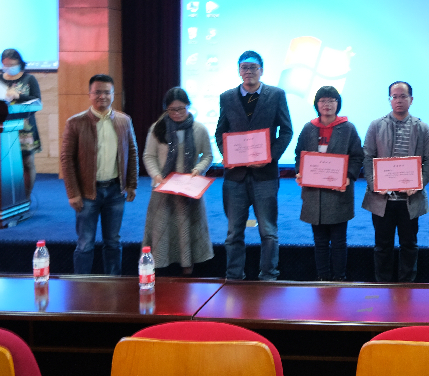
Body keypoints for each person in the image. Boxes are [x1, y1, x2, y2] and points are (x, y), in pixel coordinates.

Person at [214, 50, 293, 281]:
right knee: (233, 232)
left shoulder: (276, 94)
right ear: (239, 71)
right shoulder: (227, 97)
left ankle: (268, 276)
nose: (248, 71)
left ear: (262, 70)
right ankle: (233, 277)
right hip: (235, 176)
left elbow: (286, 131)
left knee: (268, 231)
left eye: (253, 67)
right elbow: (220, 132)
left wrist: (270, 156)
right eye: (244, 67)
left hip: (265, 175)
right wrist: (228, 153)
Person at [60, 74, 138, 275]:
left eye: (106, 92)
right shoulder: (75, 122)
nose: (102, 96)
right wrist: (73, 193)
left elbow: (132, 152)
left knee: (113, 242)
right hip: (87, 193)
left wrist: (132, 183)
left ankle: (113, 284)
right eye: (97, 92)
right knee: (85, 244)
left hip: (115, 191)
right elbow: (66, 160)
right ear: (89, 94)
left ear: (113, 94)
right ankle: (82, 285)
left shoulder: (124, 121)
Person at [362, 81, 429, 283]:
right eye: (394, 96)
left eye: (403, 96)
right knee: (382, 246)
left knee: (409, 245)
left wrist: (419, 183)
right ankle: (382, 285)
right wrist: (374, 183)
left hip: (410, 200)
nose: (399, 100)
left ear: (411, 99)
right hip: (382, 199)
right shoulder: (376, 126)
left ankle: (406, 287)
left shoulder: (422, 128)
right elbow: (367, 157)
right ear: (389, 100)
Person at [141, 87, 214, 275]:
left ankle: (187, 265)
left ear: (188, 106)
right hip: (163, 190)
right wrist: (157, 176)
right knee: (162, 230)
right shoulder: (157, 128)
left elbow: (208, 156)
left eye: (181, 109)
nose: (177, 113)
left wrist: (198, 169)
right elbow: (149, 156)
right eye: (172, 110)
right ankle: (162, 264)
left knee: (186, 229)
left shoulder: (199, 129)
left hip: (189, 191)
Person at [293, 86, 364, 281]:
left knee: (339, 241)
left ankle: (339, 279)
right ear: (317, 104)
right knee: (320, 241)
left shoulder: (348, 128)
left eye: (332, 100)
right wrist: (300, 171)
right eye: (323, 100)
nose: (327, 104)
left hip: (338, 193)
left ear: (338, 104)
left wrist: (349, 176)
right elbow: (299, 154)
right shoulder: (309, 128)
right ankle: (323, 278)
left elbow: (357, 156)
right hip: (314, 194)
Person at [0, 48, 41, 200]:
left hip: (25, 127)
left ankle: (26, 197)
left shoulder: (29, 79)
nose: (9, 68)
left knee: (27, 162)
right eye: (5, 65)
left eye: (12, 65)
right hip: (2, 126)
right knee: (4, 164)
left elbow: (37, 101)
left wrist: (18, 96)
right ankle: (6, 198)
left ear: (19, 63)